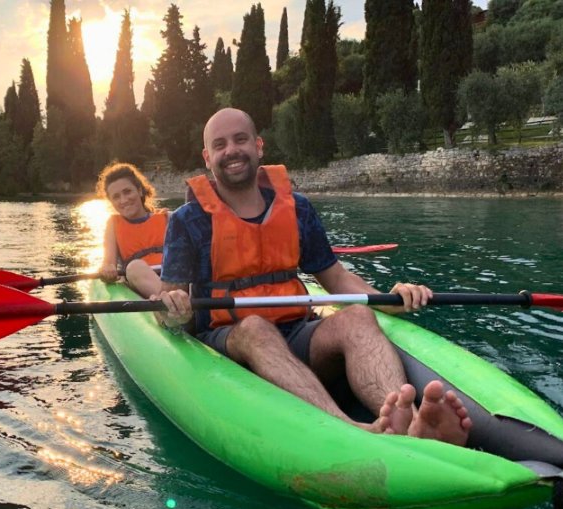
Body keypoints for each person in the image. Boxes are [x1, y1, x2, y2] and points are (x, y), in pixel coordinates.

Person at [154, 108, 472, 445]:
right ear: (207, 157)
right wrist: (173, 309)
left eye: (240, 139)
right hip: (227, 341)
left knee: (358, 317)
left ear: (259, 146)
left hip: (295, 332)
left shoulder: (299, 208)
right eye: (220, 144)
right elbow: (168, 302)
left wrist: (389, 300)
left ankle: (400, 418)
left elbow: (334, 276)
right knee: (255, 328)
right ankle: (347, 428)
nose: (231, 150)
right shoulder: (187, 220)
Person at [96, 162, 165, 298]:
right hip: (139, 281)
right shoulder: (113, 224)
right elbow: (109, 262)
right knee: (135, 267)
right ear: (111, 201)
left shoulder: (167, 217)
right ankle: (170, 304)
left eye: (127, 192)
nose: (123, 200)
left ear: (139, 190)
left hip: (174, 278)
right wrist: (108, 269)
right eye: (116, 197)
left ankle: (172, 304)